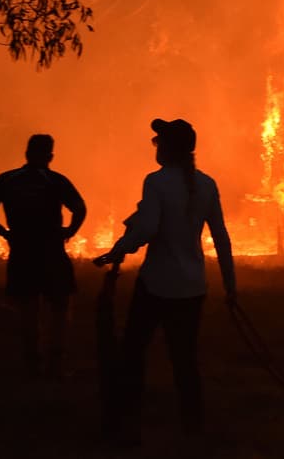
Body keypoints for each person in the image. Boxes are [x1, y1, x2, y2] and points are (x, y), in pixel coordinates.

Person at [93, 118, 236, 444]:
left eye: (159, 141)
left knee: (133, 353)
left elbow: (146, 228)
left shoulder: (156, 182)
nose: (155, 146)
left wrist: (118, 251)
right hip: (192, 287)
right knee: (185, 358)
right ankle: (193, 427)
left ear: (169, 149)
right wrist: (230, 284)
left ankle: (126, 423)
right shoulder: (207, 184)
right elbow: (221, 237)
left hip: (157, 284)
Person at [0, 134, 87, 378]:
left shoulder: (8, 179)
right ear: (50, 156)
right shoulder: (54, 180)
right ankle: (55, 365)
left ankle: (32, 364)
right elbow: (79, 207)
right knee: (59, 306)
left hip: (22, 251)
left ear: (26, 154)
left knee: (28, 308)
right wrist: (71, 231)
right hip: (51, 251)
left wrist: (4, 232)